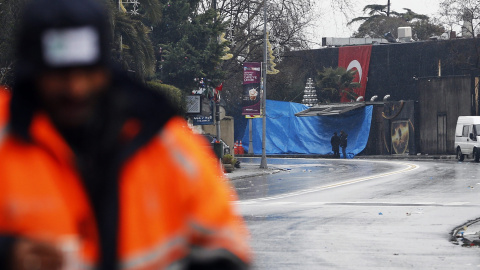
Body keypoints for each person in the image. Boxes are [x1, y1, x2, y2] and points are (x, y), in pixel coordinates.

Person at [0, 0, 251, 269]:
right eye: (59, 74)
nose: (75, 88)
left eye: (86, 70)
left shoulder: (164, 145)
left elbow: (227, 249)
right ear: (32, 71)